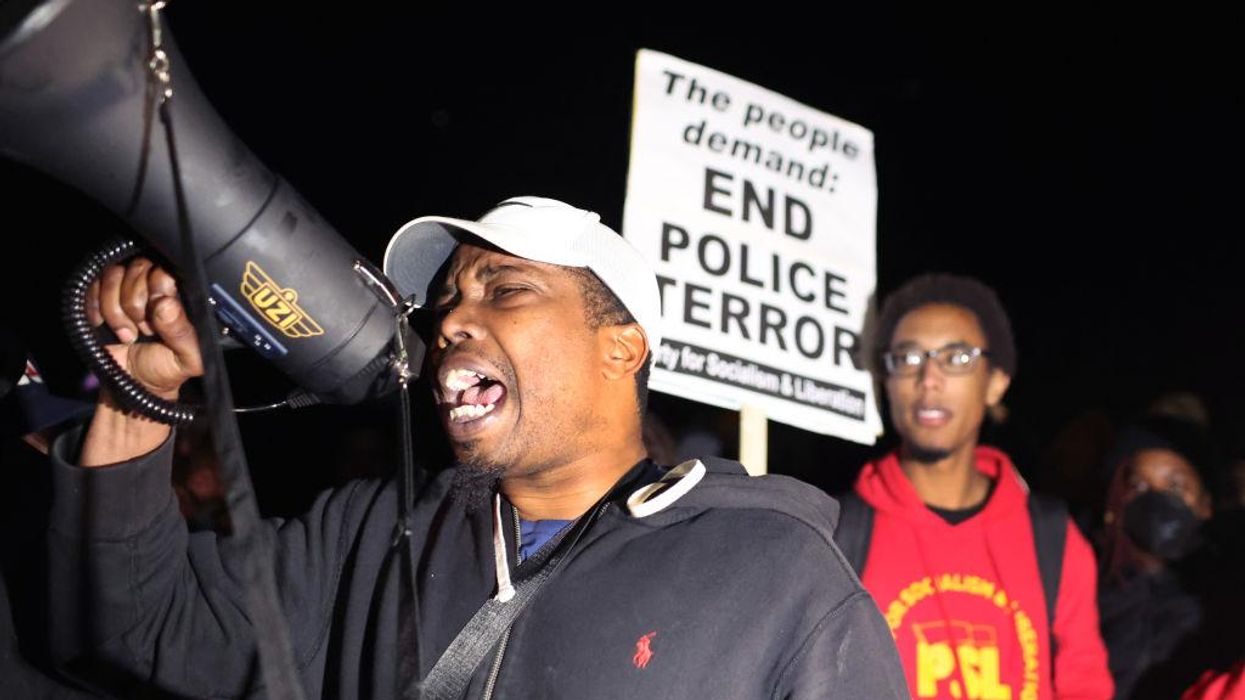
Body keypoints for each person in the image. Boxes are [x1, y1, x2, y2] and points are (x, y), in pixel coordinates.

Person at [45, 197, 908, 699]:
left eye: (507, 288)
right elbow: (132, 625)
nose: (451, 319)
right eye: (448, 297)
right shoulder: (372, 534)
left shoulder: (772, 573)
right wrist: (145, 388)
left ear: (622, 345)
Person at [834, 273, 1113, 699]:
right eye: (907, 359)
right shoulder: (838, 534)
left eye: (957, 358)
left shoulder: (1053, 537)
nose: (929, 378)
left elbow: (1084, 683)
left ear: (996, 382)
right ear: (885, 381)